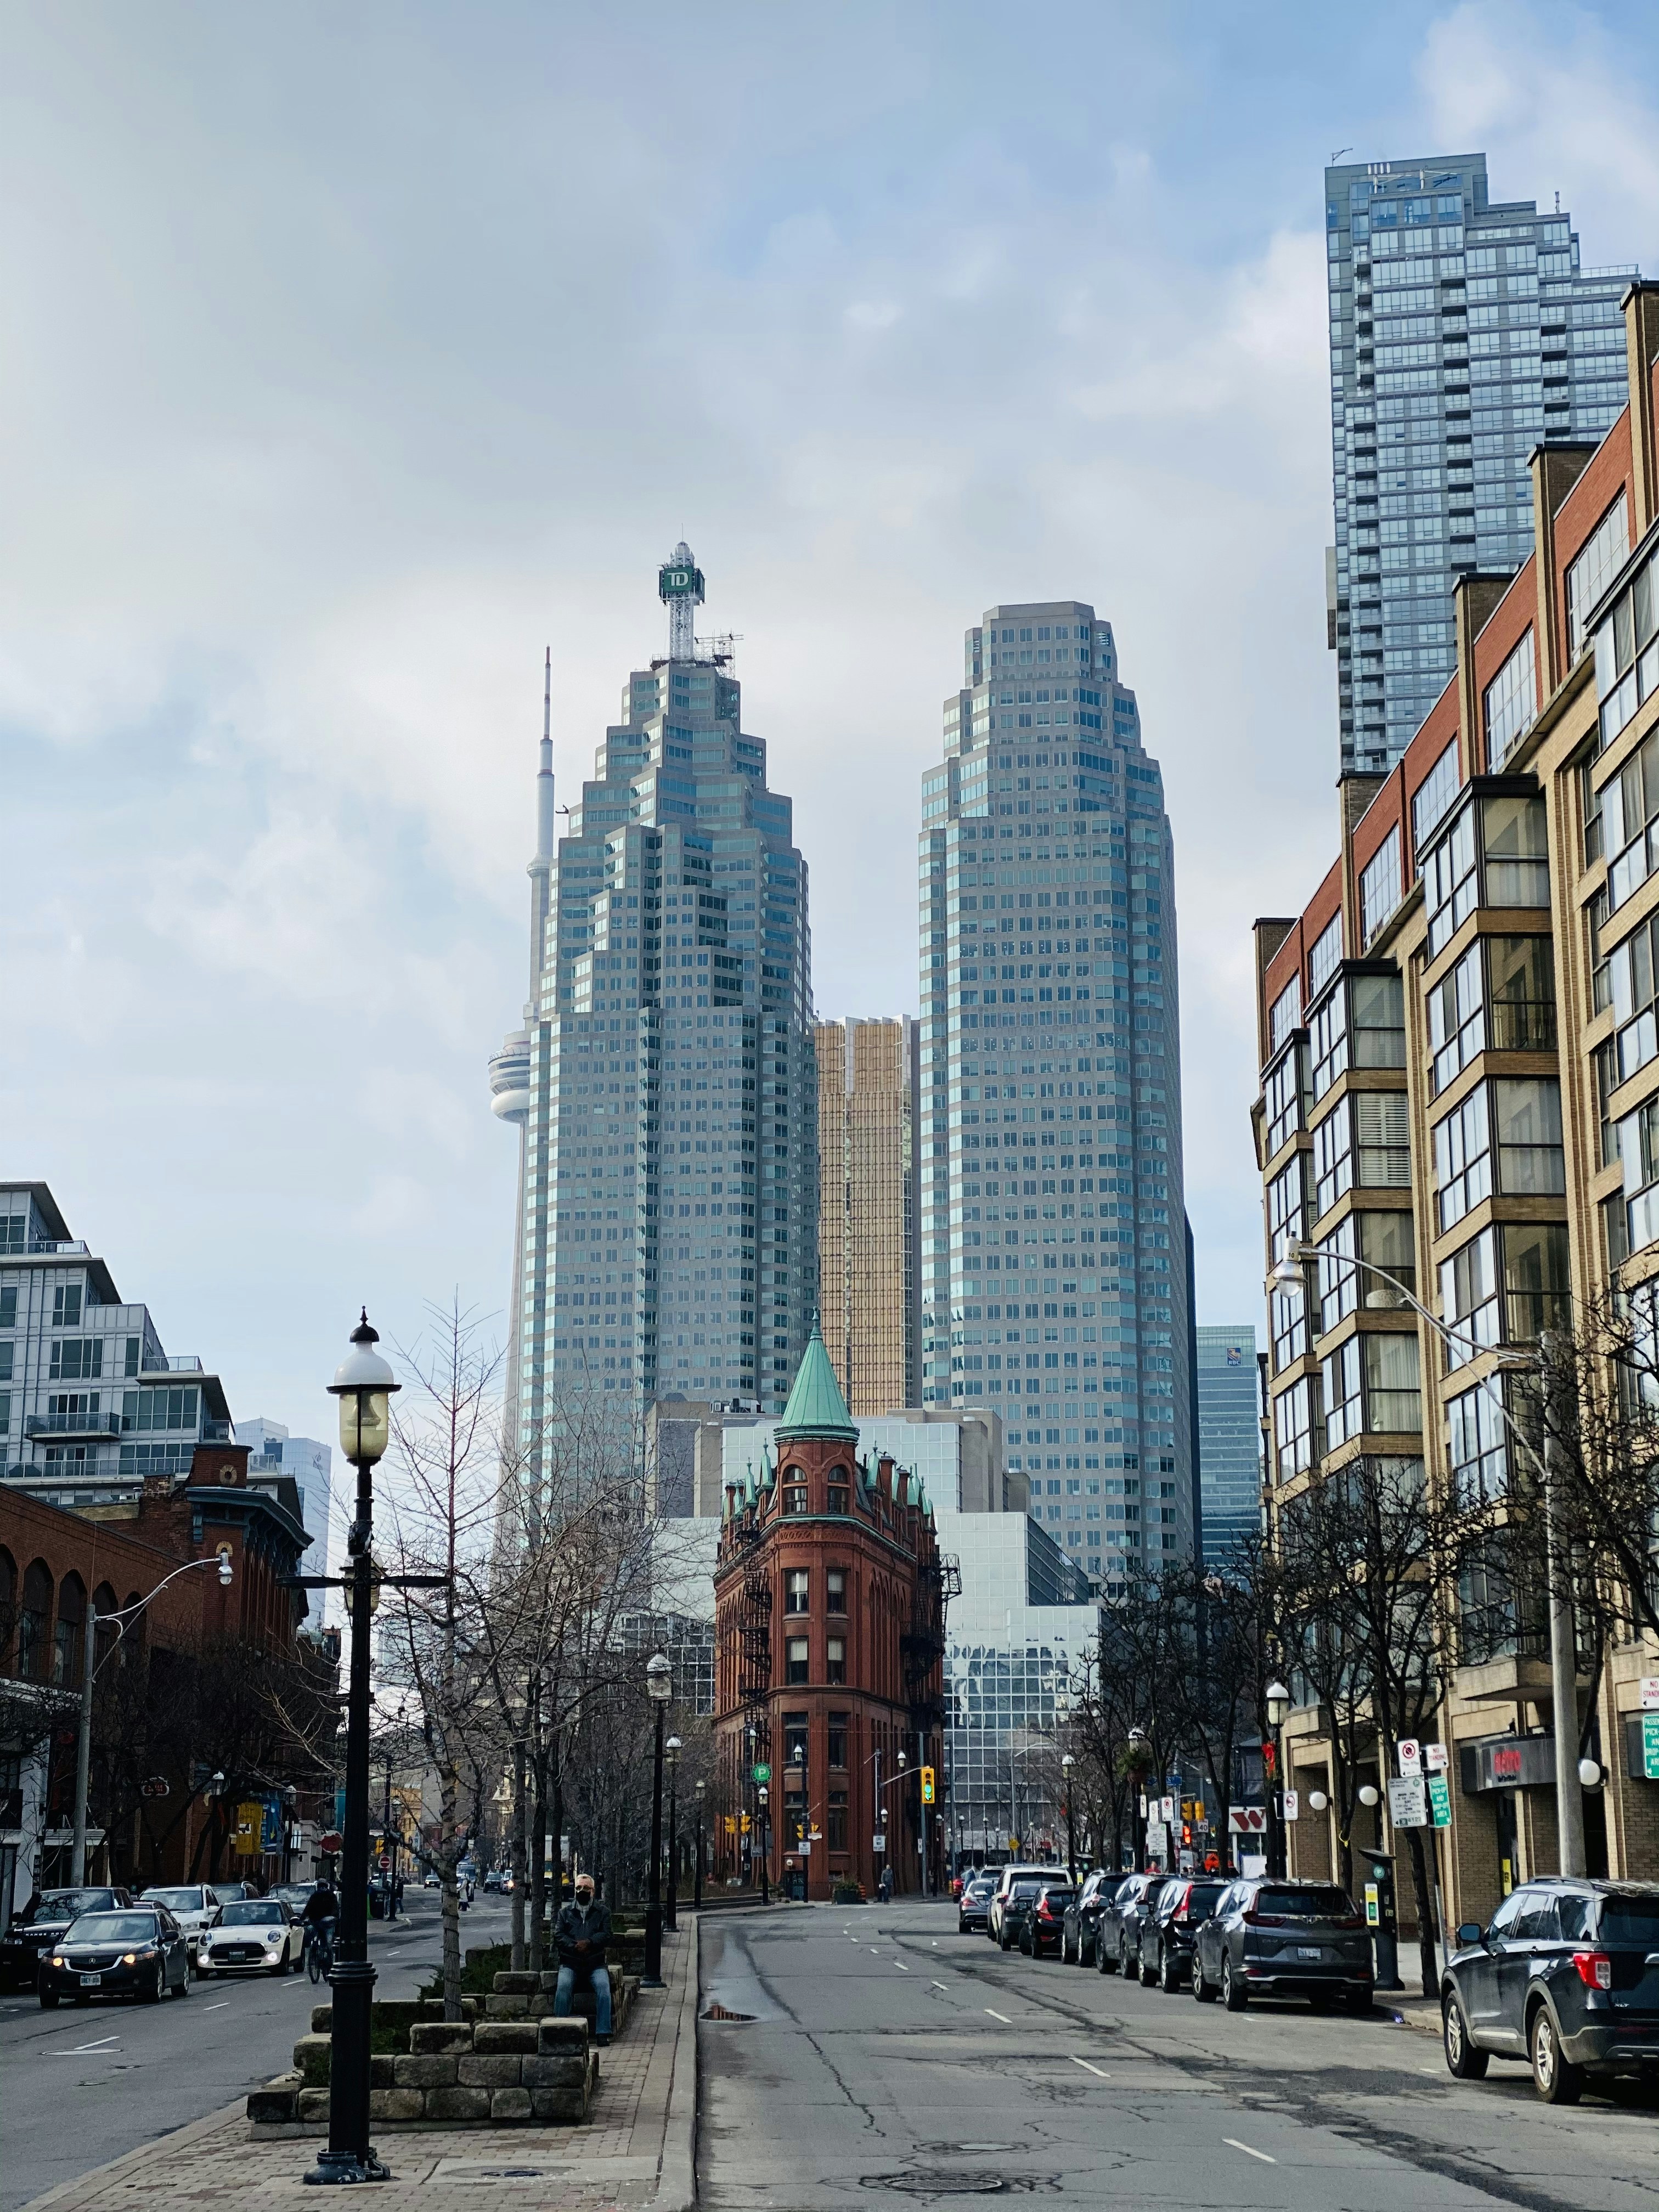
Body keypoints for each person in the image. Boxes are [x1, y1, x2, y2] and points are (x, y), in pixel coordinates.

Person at [552, 1872, 612, 2046]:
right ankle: (560, 2030)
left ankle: (602, 2032)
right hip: (570, 1962)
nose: (582, 1891)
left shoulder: (603, 1912)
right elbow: (558, 1935)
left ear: (593, 1891)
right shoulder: (565, 1913)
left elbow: (607, 1934)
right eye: (579, 1888)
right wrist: (574, 1946)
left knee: (603, 1989)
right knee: (563, 1988)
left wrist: (590, 1943)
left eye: (586, 1888)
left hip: (595, 1963)